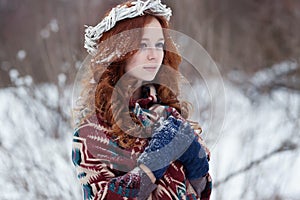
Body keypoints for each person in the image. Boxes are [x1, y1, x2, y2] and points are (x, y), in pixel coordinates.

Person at [72, 0, 212, 199]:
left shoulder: (168, 114)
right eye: (143, 45)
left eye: (159, 45)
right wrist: (155, 161)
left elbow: (199, 192)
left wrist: (198, 165)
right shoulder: (92, 131)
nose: (154, 55)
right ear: (119, 52)